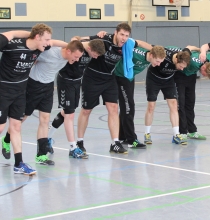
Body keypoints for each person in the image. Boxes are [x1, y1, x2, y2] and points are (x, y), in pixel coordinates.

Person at [2, 40, 86, 165]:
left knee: (45, 119)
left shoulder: (68, 54)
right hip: (33, 86)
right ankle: (6, 140)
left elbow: (71, 43)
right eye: (76, 56)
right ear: (68, 51)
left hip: (48, 87)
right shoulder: (49, 53)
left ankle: (41, 155)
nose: (77, 60)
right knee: (22, 118)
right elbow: (36, 53)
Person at [76, 23, 152, 154]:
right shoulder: (103, 39)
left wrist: (152, 50)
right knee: (86, 111)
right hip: (92, 78)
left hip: (109, 79)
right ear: (116, 32)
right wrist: (76, 41)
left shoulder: (128, 44)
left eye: (126, 36)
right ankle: (79, 142)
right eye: (122, 34)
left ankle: (115, 143)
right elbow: (79, 41)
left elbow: (139, 42)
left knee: (113, 108)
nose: (124, 38)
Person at [0, 24, 52, 175]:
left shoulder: (41, 47)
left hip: (20, 93)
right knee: (1, 127)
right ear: (37, 37)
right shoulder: (12, 45)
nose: (48, 43)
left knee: (16, 127)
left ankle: (18, 164)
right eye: (46, 39)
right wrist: (16, 32)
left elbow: (55, 43)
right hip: (2, 91)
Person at [48, 39, 105, 156]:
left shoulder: (91, 50)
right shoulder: (79, 48)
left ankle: (46, 138)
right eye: (94, 54)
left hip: (77, 82)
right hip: (65, 82)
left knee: (66, 112)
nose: (95, 57)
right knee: (70, 115)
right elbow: (74, 41)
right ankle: (73, 148)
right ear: (89, 49)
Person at [114, 45, 166, 148]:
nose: (158, 64)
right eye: (157, 61)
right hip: (120, 77)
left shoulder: (151, 52)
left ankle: (122, 135)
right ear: (151, 55)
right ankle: (131, 140)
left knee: (126, 106)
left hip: (129, 78)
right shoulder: (136, 54)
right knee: (129, 107)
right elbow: (128, 44)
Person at [166, 46, 210, 141]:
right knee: (180, 104)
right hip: (180, 76)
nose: (203, 75)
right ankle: (182, 132)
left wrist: (201, 51)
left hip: (191, 78)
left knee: (190, 104)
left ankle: (192, 130)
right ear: (204, 67)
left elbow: (208, 47)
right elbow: (188, 47)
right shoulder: (194, 61)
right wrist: (198, 50)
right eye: (205, 74)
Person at [144, 48, 191, 145]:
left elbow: (190, 48)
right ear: (177, 60)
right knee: (151, 107)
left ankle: (176, 135)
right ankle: (147, 133)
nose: (181, 69)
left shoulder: (183, 54)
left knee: (174, 105)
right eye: (181, 66)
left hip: (168, 81)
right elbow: (151, 48)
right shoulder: (165, 55)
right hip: (153, 79)